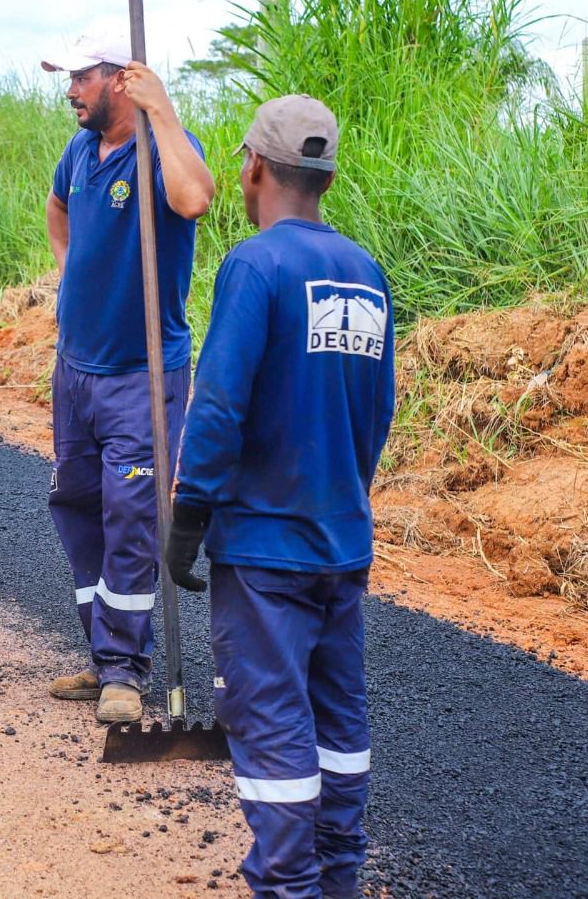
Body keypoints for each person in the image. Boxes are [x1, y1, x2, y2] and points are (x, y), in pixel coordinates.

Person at [166, 95, 395, 899]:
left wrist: (189, 516)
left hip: (264, 553)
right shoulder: (367, 275)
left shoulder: (254, 266)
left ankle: (287, 887)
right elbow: (377, 414)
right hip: (341, 545)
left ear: (254, 167)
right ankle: (340, 881)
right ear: (326, 175)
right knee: (339, 729)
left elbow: (220, 404)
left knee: (272, 733)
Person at [40, 34, 216, 723]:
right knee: (78, 505)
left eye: (81, 77)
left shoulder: (164, 149)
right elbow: (56, 209)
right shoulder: (80, 152)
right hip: (76, 368)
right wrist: (69, 270)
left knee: (132, 516)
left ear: (122, 80)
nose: (71, 90)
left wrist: (164, 114)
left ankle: (124, 672)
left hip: (141, 374)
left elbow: (197, 200)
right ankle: (103, 651)